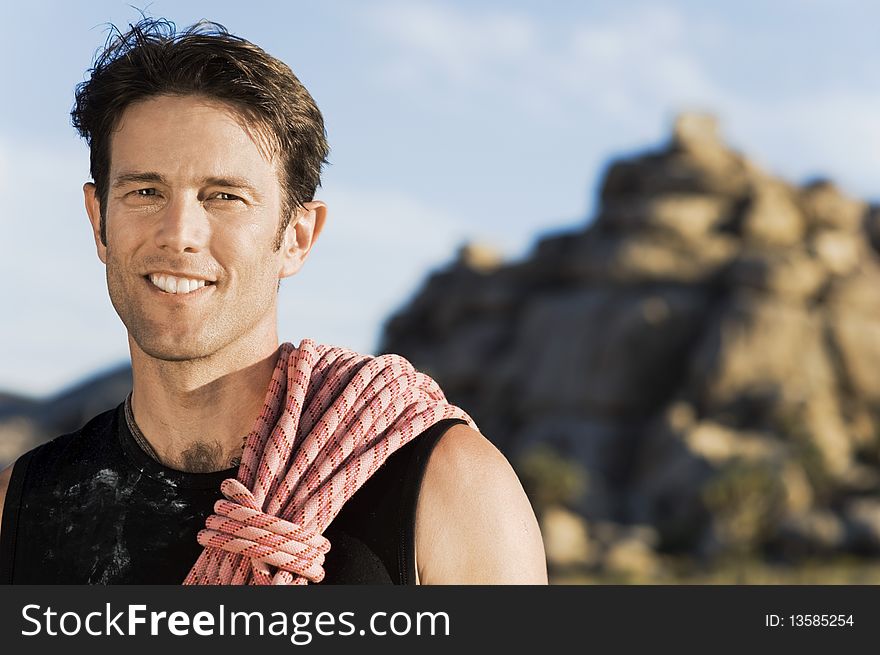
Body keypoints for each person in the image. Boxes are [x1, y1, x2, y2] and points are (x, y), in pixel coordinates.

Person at [0, 18, 546, 585]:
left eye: (225, 196)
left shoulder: (448, 489)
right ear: (98, 221)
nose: (178, 231)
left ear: (297, 237)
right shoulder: (21, 506)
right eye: (145, 191)